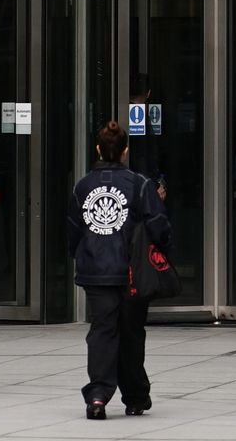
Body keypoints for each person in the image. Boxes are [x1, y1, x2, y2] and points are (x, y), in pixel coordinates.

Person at [67, 117, 172, 420]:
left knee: (102, 331)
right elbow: (159, 226)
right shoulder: (140, 185)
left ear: (98, 149)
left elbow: (74, 229)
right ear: (125, 151)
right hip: (132, 270)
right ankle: (136, 396)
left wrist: (81, 255)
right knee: (131, 332)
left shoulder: (82, 186)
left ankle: (98, 394)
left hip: (96, 270)